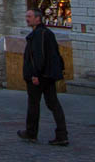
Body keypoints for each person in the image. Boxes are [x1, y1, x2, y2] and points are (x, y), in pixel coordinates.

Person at [18, 8, 68, 146]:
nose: (27, 18)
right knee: (53, 103)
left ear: (37, 19)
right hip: (48, 75)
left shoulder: (40, 34)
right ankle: (61, 134)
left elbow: (38, 56)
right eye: (26, 16)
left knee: (35, 104)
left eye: (29, 16)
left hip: (40, 76)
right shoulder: (45, 33)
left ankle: (31, 132)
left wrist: (35, 74)